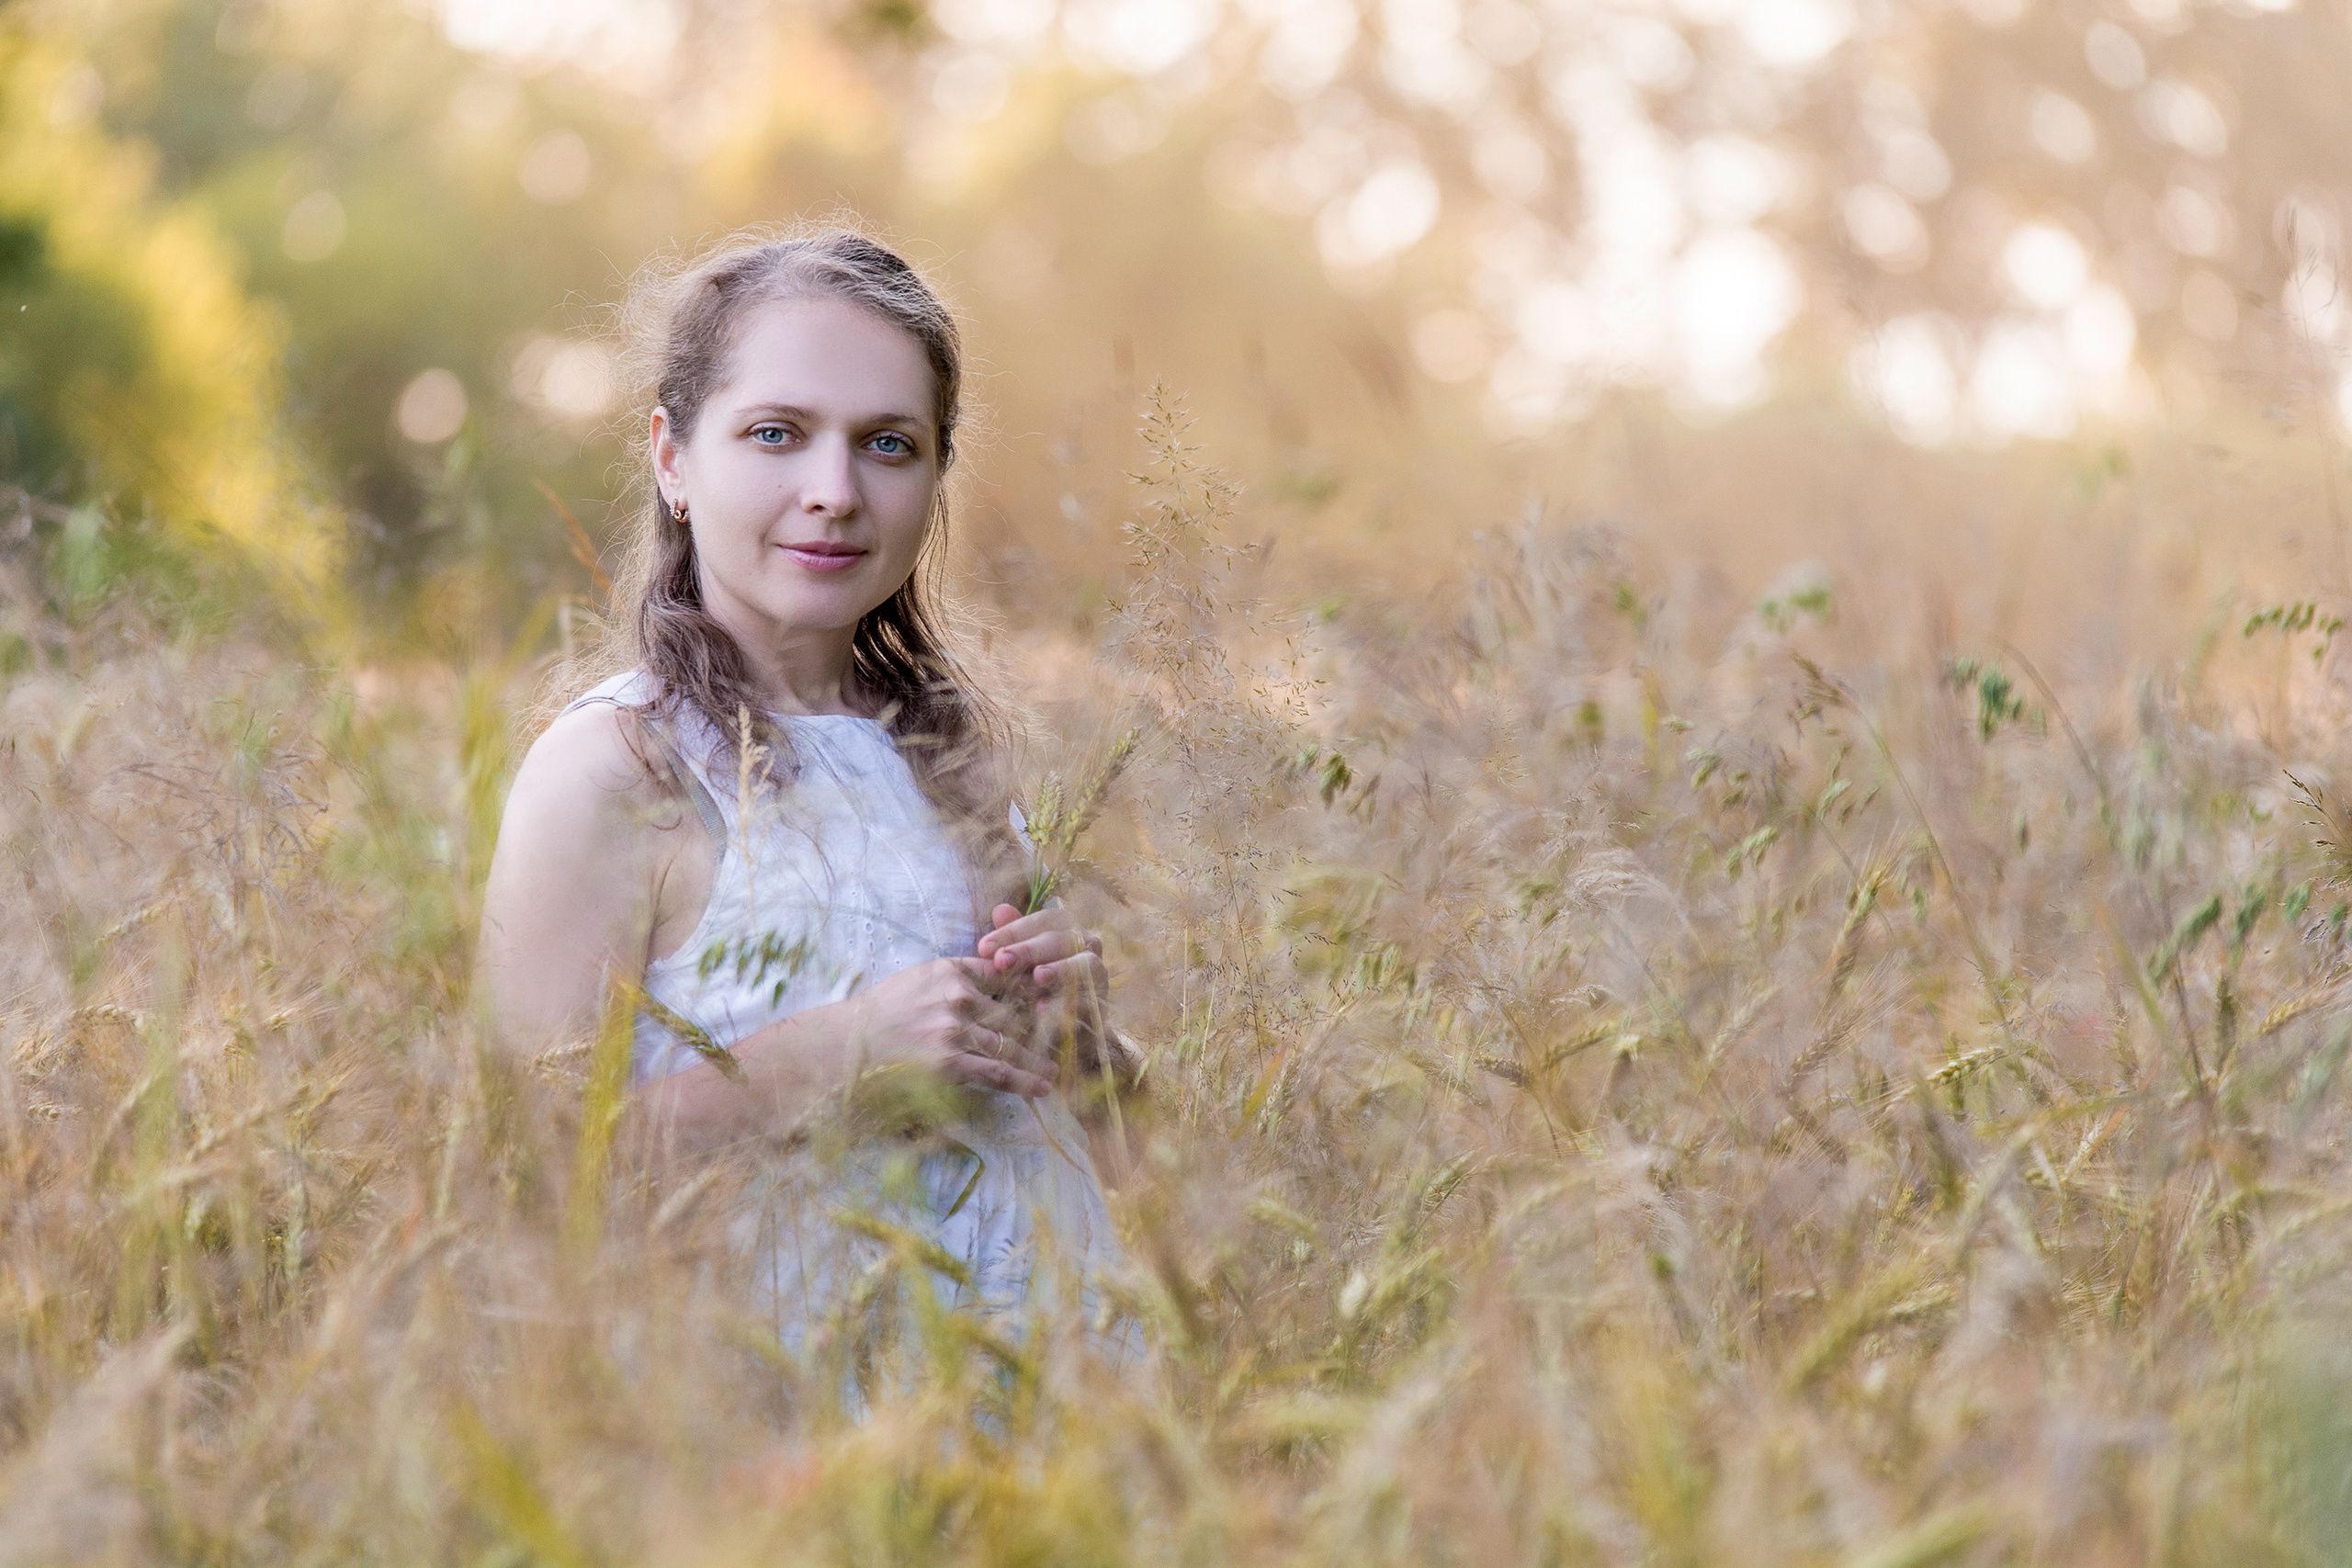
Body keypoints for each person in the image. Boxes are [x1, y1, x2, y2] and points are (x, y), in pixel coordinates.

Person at [477, 228, 1138, 1384]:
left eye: (888, 444)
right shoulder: (615, 769)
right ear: (673, 460)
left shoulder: (947, 761)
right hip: (781, 1419)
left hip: (1042, 1422)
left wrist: (1091, 1050)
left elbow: (1120, 1158)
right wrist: (839, 1054)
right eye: (776, 433)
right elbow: (521, 1180)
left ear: (935, 478)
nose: (835, 493)